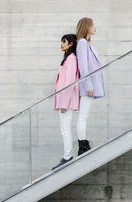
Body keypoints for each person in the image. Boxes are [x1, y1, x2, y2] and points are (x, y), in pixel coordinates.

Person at [76, 17, 105, 155]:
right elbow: (83, 66)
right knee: (83, 116)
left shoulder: (86, 43)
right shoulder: (82, 43)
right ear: (86, 26)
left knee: (84, 116)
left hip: (90, 85)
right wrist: (88, 86)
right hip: (88, 86)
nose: (95, 27)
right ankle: (82, 145)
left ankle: (83, 143)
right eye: (93, 25)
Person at [52, 34, 80, 170]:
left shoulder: (72, 59)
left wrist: (63, 103)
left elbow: (69, 83)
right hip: (64, 100)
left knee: (65, 128)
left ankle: (68, 156)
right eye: (61, 41)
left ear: (71, 44)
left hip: (66, 102)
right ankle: (66, 155)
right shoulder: (68, 59)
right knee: (64, 128)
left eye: (64, 42)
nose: (61, 44)